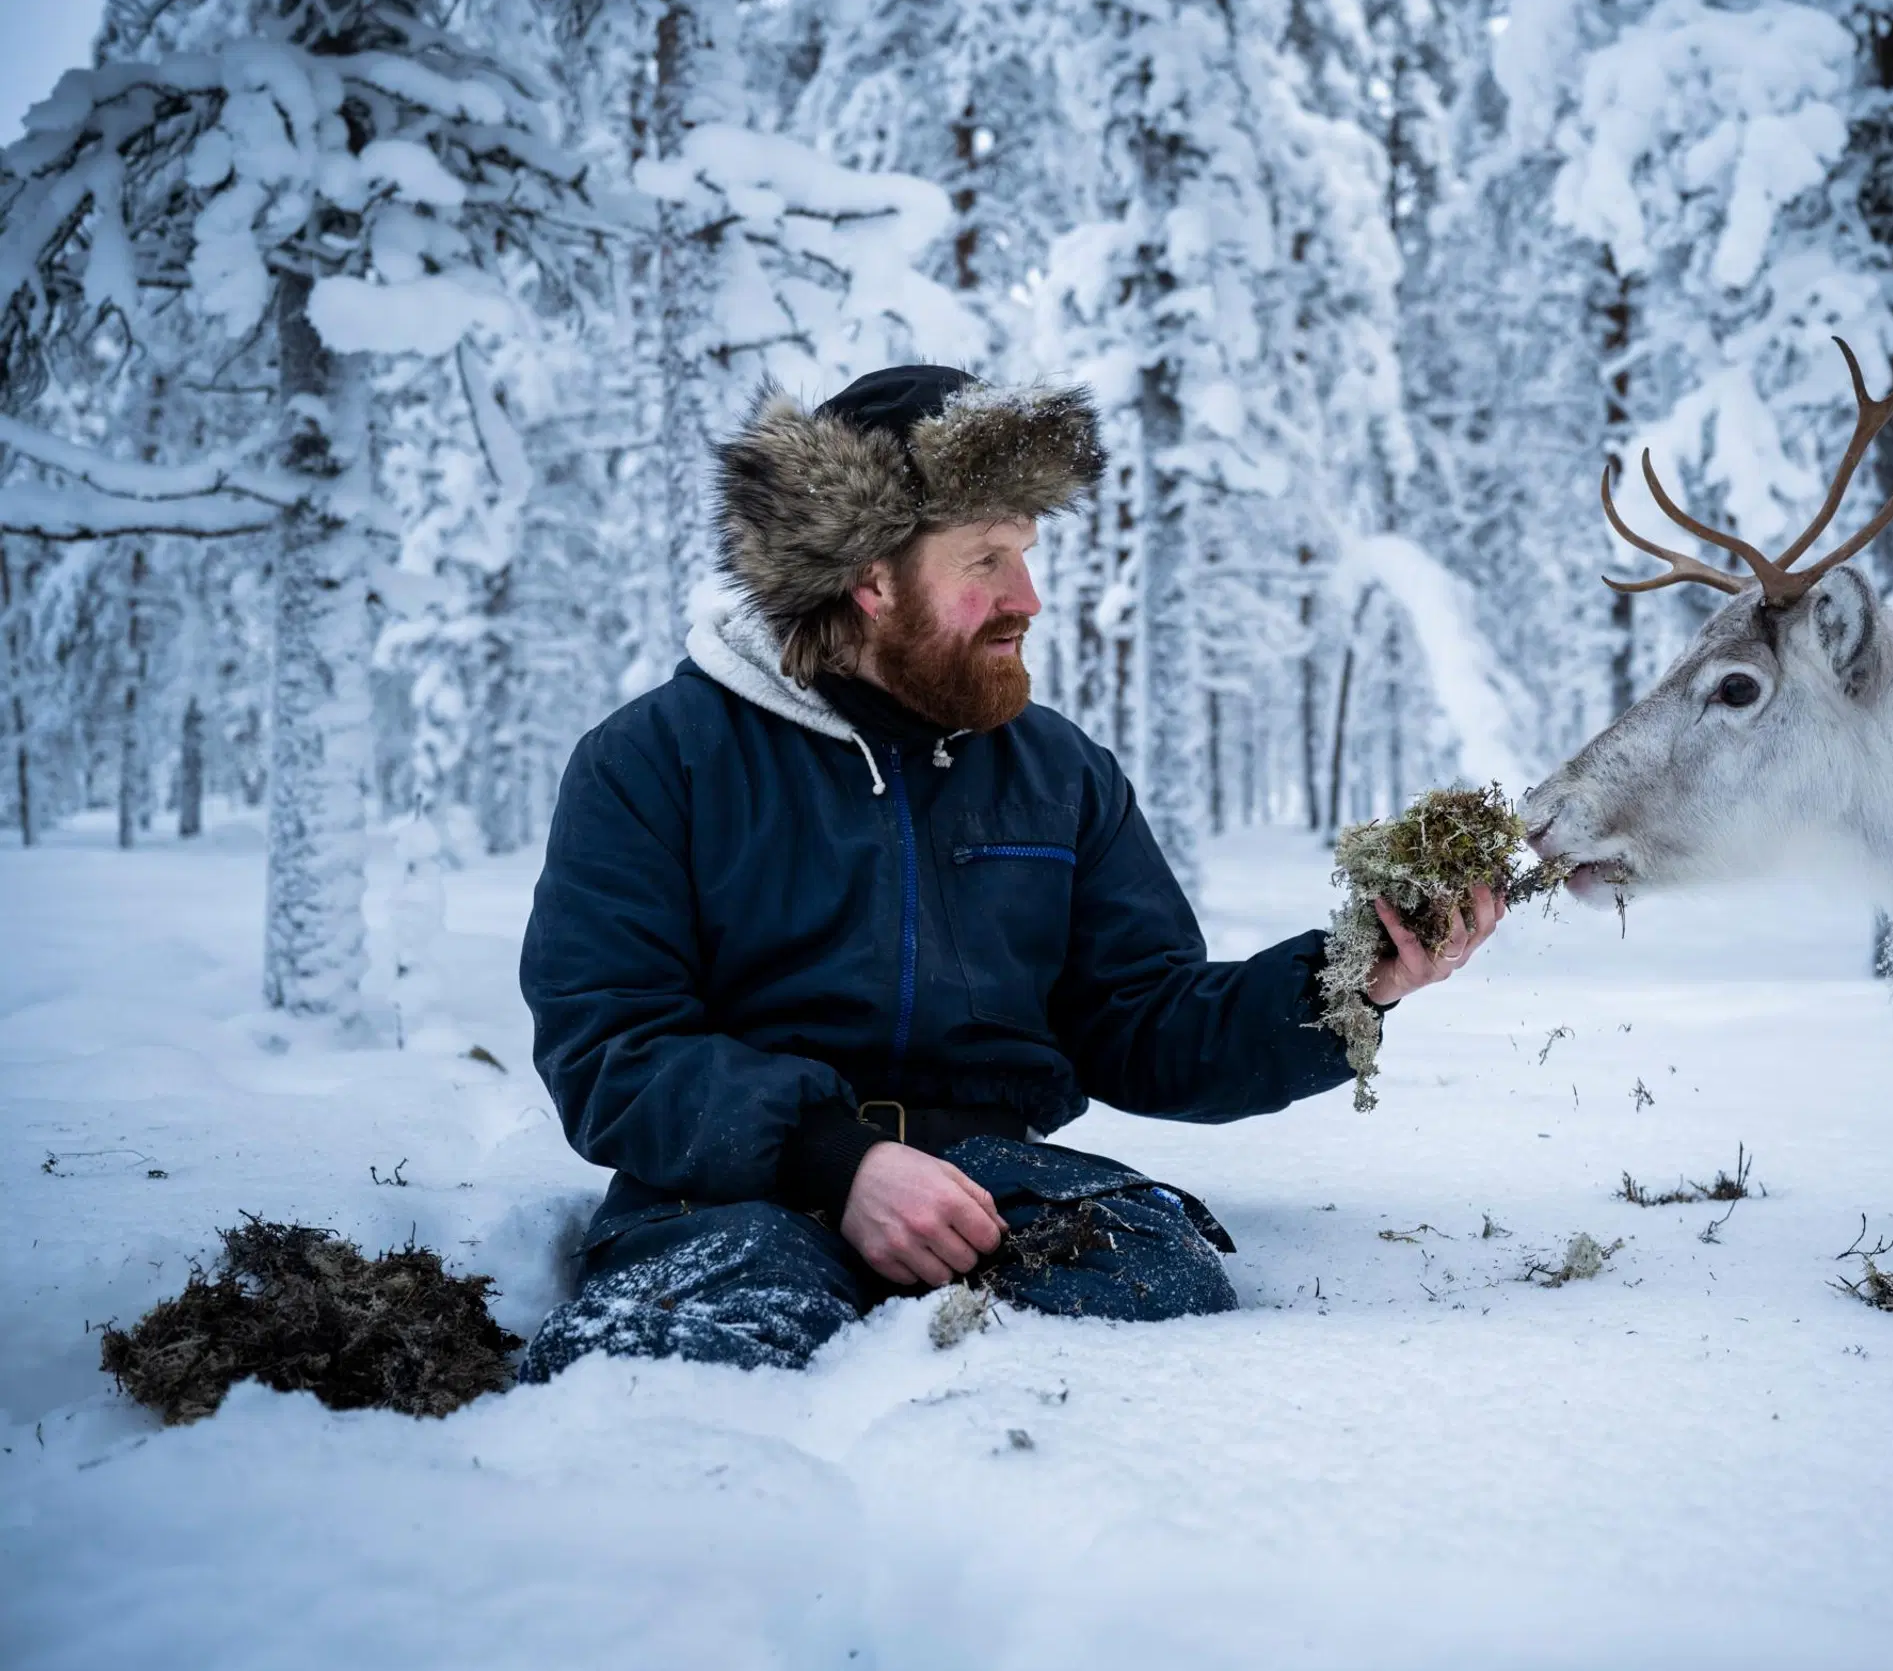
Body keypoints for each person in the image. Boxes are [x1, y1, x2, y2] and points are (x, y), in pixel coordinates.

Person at [518, 365, 1503, 1379]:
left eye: (1026, 554)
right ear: (871, 577)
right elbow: (611, 1043)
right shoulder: (658, 759)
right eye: (986, 560)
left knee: (1153, 1287)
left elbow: (1143, 1022)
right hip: (730, 1193)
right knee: (684, 1352)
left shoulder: (1059, 773)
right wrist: (839, 1160)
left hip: (990, 1183)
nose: (1027, 599)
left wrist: (1350, 980)